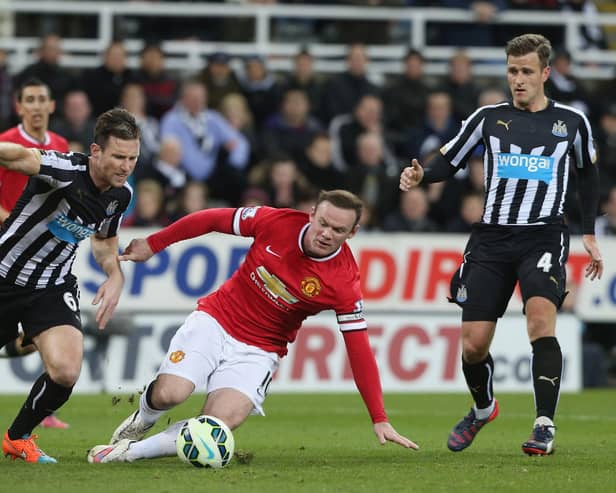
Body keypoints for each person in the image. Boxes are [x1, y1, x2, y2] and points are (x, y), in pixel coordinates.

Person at [87, 189, 418, 463]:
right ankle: (142, 420)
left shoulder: (344, 281)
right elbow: (212, 218)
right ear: (312, 213)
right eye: (323, 223)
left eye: (339, 230)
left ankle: (124, 455)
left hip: (261, 349)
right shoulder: (275, 222)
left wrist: (379, 417)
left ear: (353, 233)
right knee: (171, 394)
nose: (327, 234)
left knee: (220, 423)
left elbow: (358, 348)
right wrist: (155, 243)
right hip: (216, 320)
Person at [399, 33, 602, 456]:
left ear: (545, 73)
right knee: (473, 345)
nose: (519, 80)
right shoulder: (487, 119)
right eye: (512, 71)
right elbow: (449, 160)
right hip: (491, 238)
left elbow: (588, 174)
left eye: (527, 71)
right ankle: (483, 407)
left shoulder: (571, 122)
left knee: (540, 321)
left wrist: (587, 232)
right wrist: (423, 176)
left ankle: (543, 425)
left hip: (543, 235)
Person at [0, 107, 141, 463]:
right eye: (119, 157)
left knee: (65, 370)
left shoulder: (119, 195)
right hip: (3, 276)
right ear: (96, 152)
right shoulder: (64, 170)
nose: (126, 166)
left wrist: (114, 274)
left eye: (133, 158)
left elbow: (104, 242)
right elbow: (20, 157)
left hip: (51, 285)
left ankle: (18, 438)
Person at [0, 78, 71, 430]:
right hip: (5, 248)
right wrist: (12, 225)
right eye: (30, 99)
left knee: (44, 330)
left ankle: (45, 410)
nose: (37, 106)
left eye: (43, 99)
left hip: (42, 255)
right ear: (19, 107)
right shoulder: (7, 144)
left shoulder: (60, 145)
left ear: (52, 106)